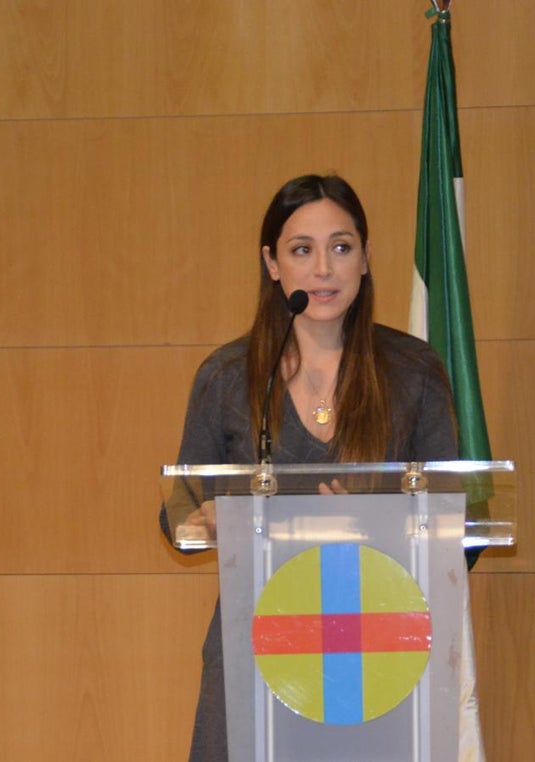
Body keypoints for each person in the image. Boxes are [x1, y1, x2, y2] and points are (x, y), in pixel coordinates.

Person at [160, 173, 482, 761]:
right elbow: (175, 518)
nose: (324, 270)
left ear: (365, 258)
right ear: (272, 264)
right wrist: (203, 522)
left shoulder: (413, 372)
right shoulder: (229, 377)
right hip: (256, 654)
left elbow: (460, 531)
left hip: (377, 657)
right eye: (301, 250)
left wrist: (375, 527)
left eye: (341, 247)